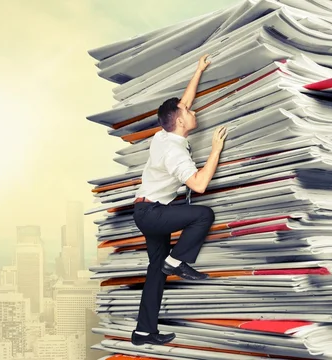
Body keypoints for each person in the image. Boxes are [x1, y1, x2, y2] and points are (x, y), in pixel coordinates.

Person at [130, 54, 228, 346]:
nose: (191, 108)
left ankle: (143, 332)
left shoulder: (165, 134)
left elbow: (181, 106)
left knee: (154, 273)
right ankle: (175, 261)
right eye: (188, 110)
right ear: (181, 121)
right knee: (203, 215)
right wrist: (215, 149)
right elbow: (198, 185)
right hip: (152, 213)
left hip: (145, 211)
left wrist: (198, 70)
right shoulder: (174, 153)